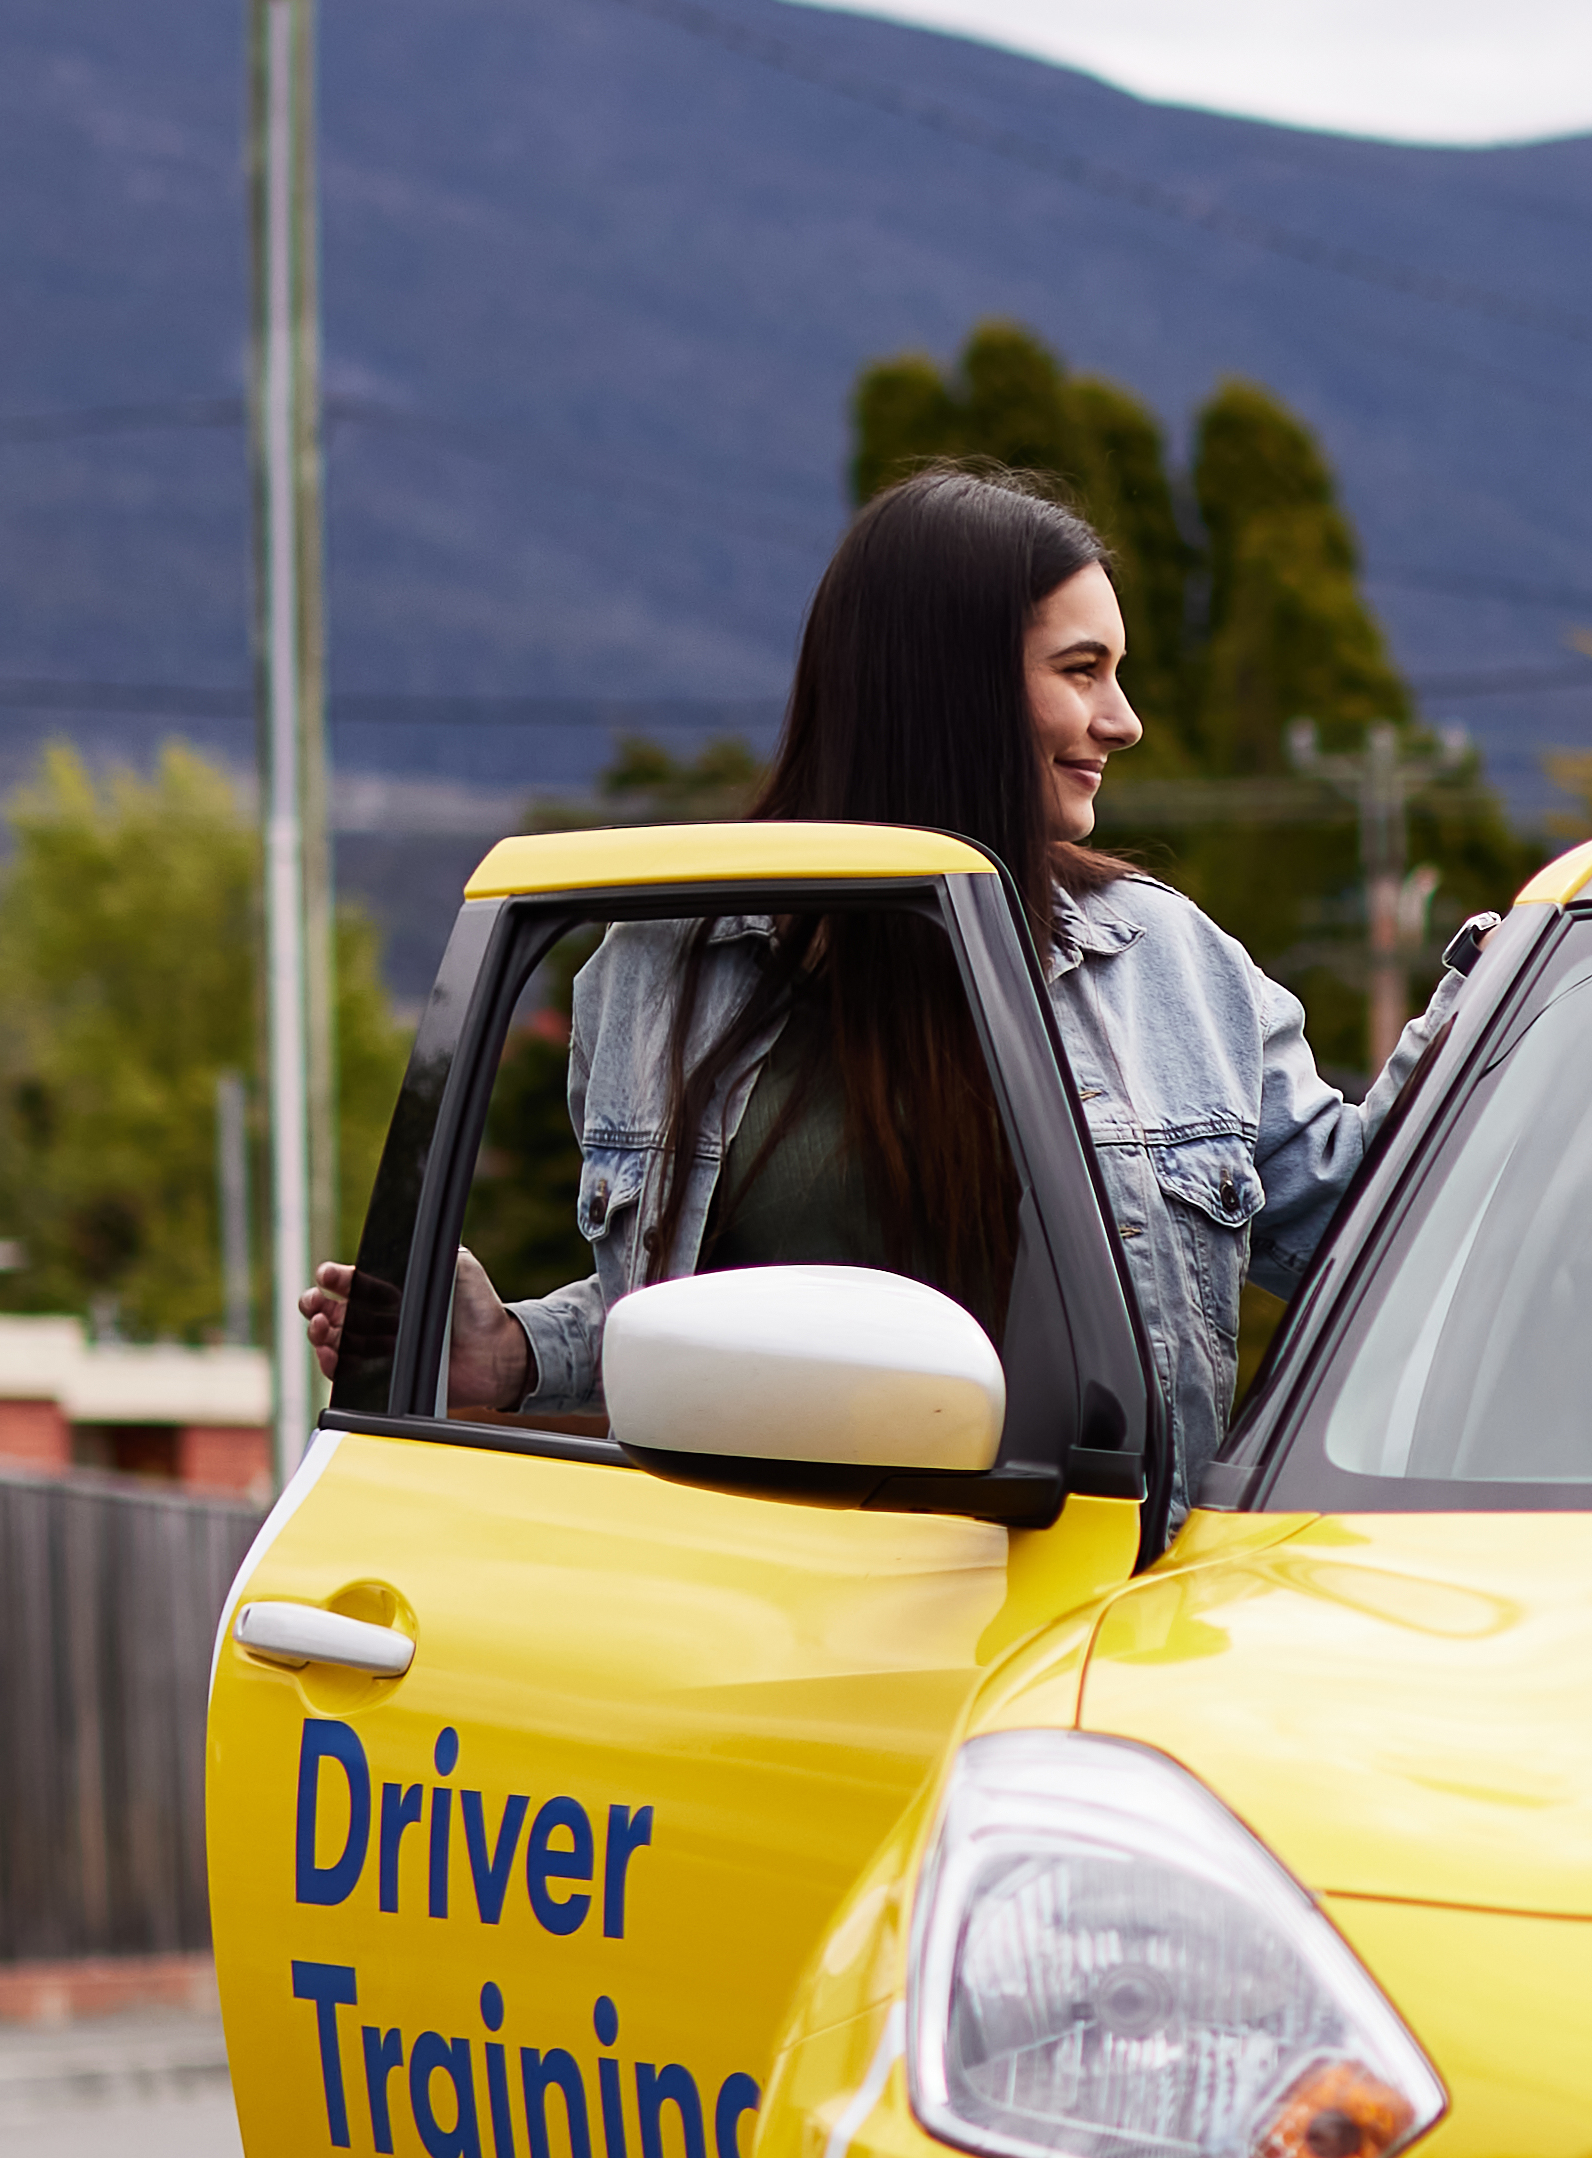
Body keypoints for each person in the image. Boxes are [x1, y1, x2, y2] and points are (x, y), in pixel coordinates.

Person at [303, 468, 1373, 1490]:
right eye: (1082, 670)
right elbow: (716, 1312)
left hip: (1080, 1623)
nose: (1124, 720)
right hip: (755, 1615)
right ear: (951, 690)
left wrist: (1513, 985)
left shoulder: (1172, 965)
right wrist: (518, 1355)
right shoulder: (655, 971)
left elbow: (1373, 1231)